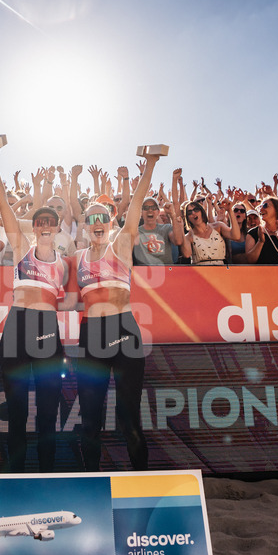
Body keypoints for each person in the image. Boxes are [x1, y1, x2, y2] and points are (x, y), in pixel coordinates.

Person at [71, 148, 163, 472]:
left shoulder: (121, 244)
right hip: (91, 336)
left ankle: (142, 480)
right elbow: (67, 300)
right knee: (90, 420)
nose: (97, 223)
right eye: (90, 218)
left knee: (129, 417)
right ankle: (91, 483)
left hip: (124, 333)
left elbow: (136, 205)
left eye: (103, 218)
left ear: (111, 222)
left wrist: (149, 165)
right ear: (84, 225)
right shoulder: (77, 258)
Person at [0, 139, 67, 472]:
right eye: (40, 222)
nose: (45, 226)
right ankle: (17, 474)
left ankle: (46, 473)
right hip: (17, 327)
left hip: (48, 331)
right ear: (34, 227)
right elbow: (3, 205)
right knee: (17, 409)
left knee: (48, 410)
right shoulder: (21, 247)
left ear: (59, 227)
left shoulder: (66, 264)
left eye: (51, 222)